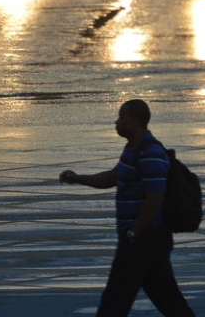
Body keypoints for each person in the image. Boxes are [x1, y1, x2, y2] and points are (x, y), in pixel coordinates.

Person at [59, 100, 196, 317]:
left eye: (121, 117)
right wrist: (77, 178)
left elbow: (154, 199)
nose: (117, 122)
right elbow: (111, 177)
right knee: (168, 299)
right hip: (145, 239)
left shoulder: (150, 152)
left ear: (135, 120)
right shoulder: (133, 149)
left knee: (115, 300)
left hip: (144, 239)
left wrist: (134, 232)